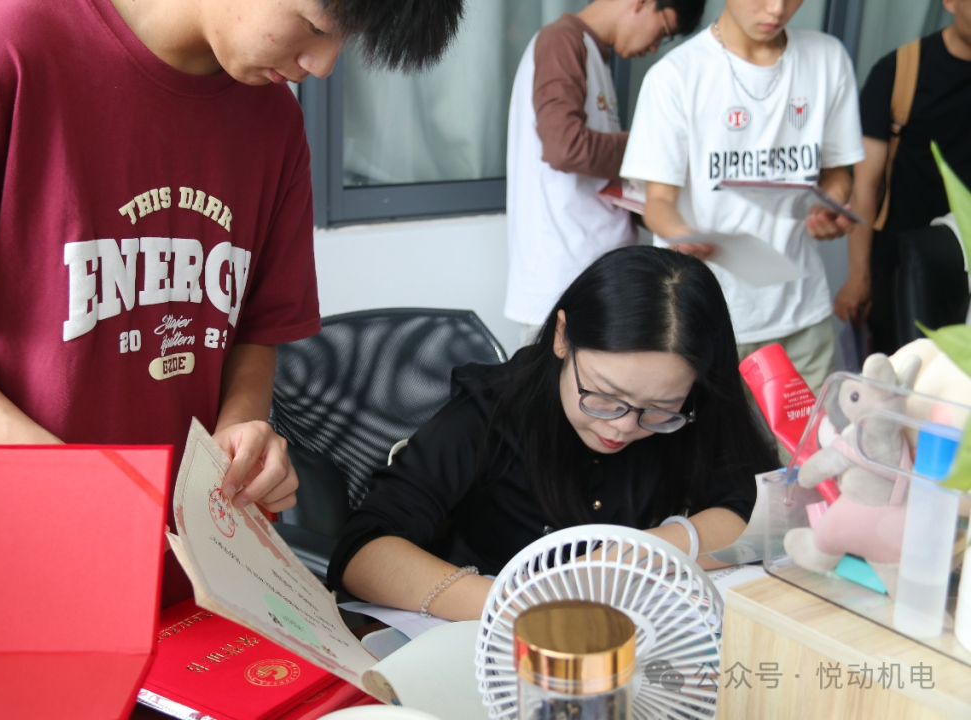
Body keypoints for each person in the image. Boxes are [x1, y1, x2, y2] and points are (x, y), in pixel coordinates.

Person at [0, 0, 464, 605]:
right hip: (0, 558)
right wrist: (56, 473)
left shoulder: (272, 119)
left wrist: (240, 427)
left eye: (346, 40)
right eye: (315, 28)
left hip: (181, 575)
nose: (322, 66)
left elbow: (254, 328)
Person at [328, 245, 779, 621]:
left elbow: (760, 511)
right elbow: (362, 552)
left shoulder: (695, 406)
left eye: (660, 409)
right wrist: (521, 605)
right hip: (495, 640)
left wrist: (635, 555)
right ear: (563, 336)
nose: (623, 425)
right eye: (605, 396)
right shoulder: (491, 412)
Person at [620, 0, 865, 393]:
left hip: (802, 315)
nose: (777, 9)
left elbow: (836, 173)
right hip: (706, 317)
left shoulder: (827, 58)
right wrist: (682, 236)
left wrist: (826, 207)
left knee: (814, 433)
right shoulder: (675, 76)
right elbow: (658, 203)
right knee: (715, 434)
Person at [504, 0, 706, 344]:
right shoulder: (561, 42)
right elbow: (565, 147)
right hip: (563, 285)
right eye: (663, 32)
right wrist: (649, 146)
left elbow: (597, 175)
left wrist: (666, 219)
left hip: (596, 277)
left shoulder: (592, 54)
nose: (654, 47)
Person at [833, 0, 971, 356]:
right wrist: (859, 275)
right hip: (900, 269)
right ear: (950, 3)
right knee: (903, 376)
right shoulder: (900, 70)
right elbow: (866, 184)